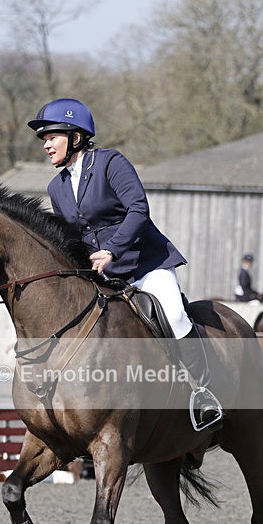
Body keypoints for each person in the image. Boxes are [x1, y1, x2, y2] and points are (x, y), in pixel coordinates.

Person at [27, 97, 222, 431]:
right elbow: (69, 238)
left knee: (173, 315)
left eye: (52, 136)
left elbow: (138, 209)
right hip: (101, 273)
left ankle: (202, 393)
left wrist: (113, 251)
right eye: (43, 139)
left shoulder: (110, 163)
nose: (46, 144)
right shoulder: (56, 187)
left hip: (145, 263)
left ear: (75, 137)